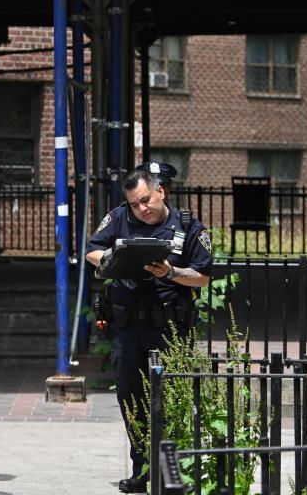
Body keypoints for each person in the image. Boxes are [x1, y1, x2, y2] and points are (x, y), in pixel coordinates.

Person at [86, 163, 213, 494]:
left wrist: (169, 273)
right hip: (127, 329)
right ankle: (143, 469)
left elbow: (202, 276)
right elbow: (91, 251)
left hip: (169, 327)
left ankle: (171, 473)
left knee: (171, 399)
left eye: (145, 200)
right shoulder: (119, 218)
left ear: (161, 191)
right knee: (133, 402)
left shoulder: (189, 227)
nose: (140, 209)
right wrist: (114, 261)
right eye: (134, 203)